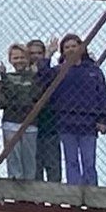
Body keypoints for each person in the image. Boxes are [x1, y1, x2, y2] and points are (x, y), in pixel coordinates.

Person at [50, 32, 106, 187]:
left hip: (88, 124)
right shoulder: (58, 71)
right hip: (66, 122)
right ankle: (73, 192)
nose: (71, 49)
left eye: (74, 46)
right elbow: (43, 80)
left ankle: (91, 193)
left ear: (82, 47)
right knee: (71, 161)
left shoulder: (94, 71)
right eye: (67, 47)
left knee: (89, 162)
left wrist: (104, 120)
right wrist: (47, 55)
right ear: (62, 51)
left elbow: (103, 96)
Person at [0, 44, 41, 180]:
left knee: (29, 158)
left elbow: (34, 96)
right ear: (10, 60)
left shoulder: (35, 77)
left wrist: (33, 76)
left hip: (30, 123)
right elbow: (9, 96)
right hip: (11, 121)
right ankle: (14, 184)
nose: (19, 60)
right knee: (13, 157)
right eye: (15, 57)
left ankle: (29, 188)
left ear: (28, 59)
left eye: (22, 57)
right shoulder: (7, 77)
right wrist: (4, 76)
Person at [25, 38, 63, 182]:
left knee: (53, 164)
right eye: (32, 53)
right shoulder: (22, 74)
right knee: (34, 166)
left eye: (39, 53)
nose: (35, 56)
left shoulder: (53, 71)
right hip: (29, 124)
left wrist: (47, 58)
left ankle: (55, 200)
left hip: (50, 123)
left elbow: (46, 80)